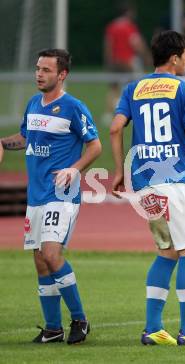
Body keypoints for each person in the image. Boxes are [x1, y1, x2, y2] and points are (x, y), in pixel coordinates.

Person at [110, 30, 185, 346]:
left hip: (144, 184)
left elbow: (115, 127)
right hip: (174, 181)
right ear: (174, 57)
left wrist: (120, 170)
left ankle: (153, 329)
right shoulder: (184, 90)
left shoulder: (133, 88)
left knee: (168, 251)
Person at [0, 49, 102, 344]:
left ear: (62, 75)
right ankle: (53, 328)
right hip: (36, 196)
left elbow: (94, 146)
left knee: (52, 254)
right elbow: (25, 138)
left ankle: (80, 319)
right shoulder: (33, 104)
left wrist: (74, 169)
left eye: (45, 69)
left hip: (61, 194)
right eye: (37, 68)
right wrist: (3, 143)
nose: (39, 74)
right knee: (40, 261)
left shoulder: (73, 107)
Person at [104, 1, 152, 121]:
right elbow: (137, 44)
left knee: (113, 89)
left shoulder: (112, 26)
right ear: (128, 12)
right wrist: (147, 57)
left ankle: (109, 115)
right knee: (138, 86)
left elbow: (108, 45)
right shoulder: (129, 27)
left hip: (114, 62)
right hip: (128, 62)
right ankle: (138, 111)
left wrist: (108, 61)